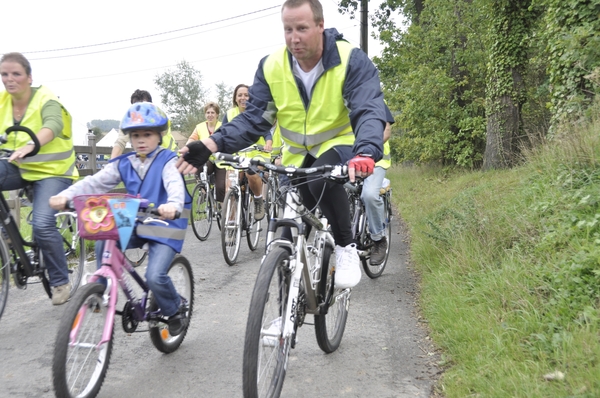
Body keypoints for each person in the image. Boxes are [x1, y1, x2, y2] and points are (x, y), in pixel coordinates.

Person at [178, 0, 387, 289]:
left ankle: (345, 246)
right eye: (287, 29)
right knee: (284, 237)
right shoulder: (272, 65)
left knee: (319, 182)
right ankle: (283, 321)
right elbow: (254, 120)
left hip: (340, 144)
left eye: (301, 28)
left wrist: (366, 152)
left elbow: (369, 110)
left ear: (320, 26)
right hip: (296, 154)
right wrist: (212, 143)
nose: (294, 37)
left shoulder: (350, 58)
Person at [50, 102, 191, 335]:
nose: (141, 140)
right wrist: (65, 196)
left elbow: (174, 185)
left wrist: (173, 205)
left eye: (147, 134)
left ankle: (175, 309)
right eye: (135, 135)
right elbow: (94, 182)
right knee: (105, 237)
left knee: (155, 276)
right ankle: (99, 290)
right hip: (134, 219)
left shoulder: (167, 160)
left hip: (166, 223)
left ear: (159, 135)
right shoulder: (124, 163)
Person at [0, 52, 78, 305]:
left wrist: (32, 144)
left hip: (53, 172)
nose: (9, 80)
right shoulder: (2, 102)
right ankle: (7, 234)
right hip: (19, 167)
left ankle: (60, 281)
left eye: (16, 74)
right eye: (4, 74)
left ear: (29, 77)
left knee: (42, 225)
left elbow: (53, 124)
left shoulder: (47, 98)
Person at [221, 84, 272, 221]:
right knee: (230, 187)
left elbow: (267, 132)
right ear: (235, 98)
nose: (243, 98)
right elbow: (222, 133)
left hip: (257, 154)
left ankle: (258, 200)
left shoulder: (258, 113)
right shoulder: (230, 114)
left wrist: (268, 142)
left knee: (251, 173)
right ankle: (231, 225)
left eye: (246, 95)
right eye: (240, 95)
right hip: (237, 155)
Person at [110, 89, 178, 158]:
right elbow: (121, 141)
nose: (141, 112)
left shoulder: (158, 117)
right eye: (137, 108)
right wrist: (112, 164)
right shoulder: (130, 121)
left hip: (169, 157)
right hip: (146, 159)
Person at [362, 121, 392, 266]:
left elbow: (386, 131)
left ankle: (378, 239)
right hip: (348, 158)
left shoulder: (377, 100)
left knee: (369, 195)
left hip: (375, 159)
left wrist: (368, 150)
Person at [185, 101, 227, 203]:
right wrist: (187, 149)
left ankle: (221, 210)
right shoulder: (199, 127)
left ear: (217, 114)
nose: (210, 115)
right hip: (207, 159)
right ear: (205, 114)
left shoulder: (223, 126)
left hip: (220, 161)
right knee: (196, 166)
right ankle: (204, 191)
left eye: (212, 113)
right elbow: (191, 139)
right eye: (208, 113)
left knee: (221, 187)